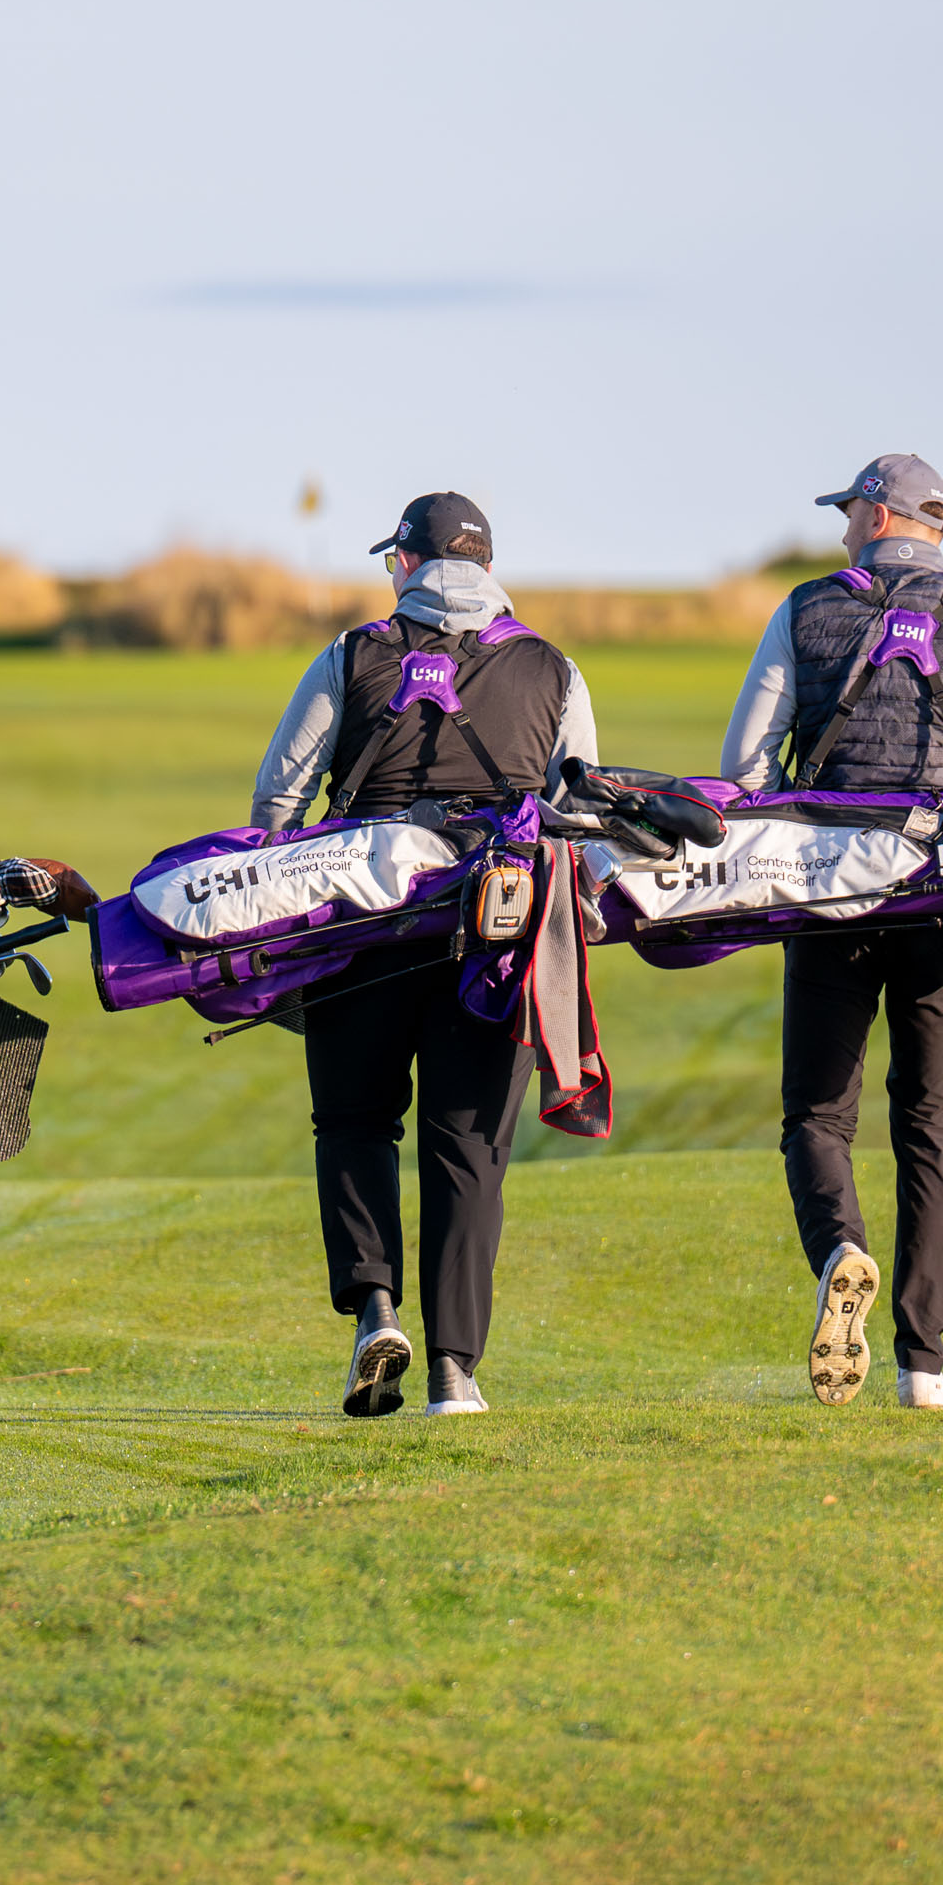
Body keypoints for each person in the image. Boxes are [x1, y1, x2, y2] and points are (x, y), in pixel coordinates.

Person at [250, 491, 600, 1421]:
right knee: (467, 1147)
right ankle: (454, 1371)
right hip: (498, 940)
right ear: (487, 569)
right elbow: (584, 817)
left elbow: (275, 808)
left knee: (356, 1124)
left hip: (356, 933)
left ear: (407, 565)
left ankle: (373, 1310)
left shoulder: (350, 654)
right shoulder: (554, 668)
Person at [722, 452, 943, 1414]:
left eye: (848, 513)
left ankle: (840, 1249)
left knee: (816, 1116)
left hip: (825, 895)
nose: (839, 531)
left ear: (878, 514)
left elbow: (742, 769)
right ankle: (924, 1368)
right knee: (930, 1123)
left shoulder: (804, 608)